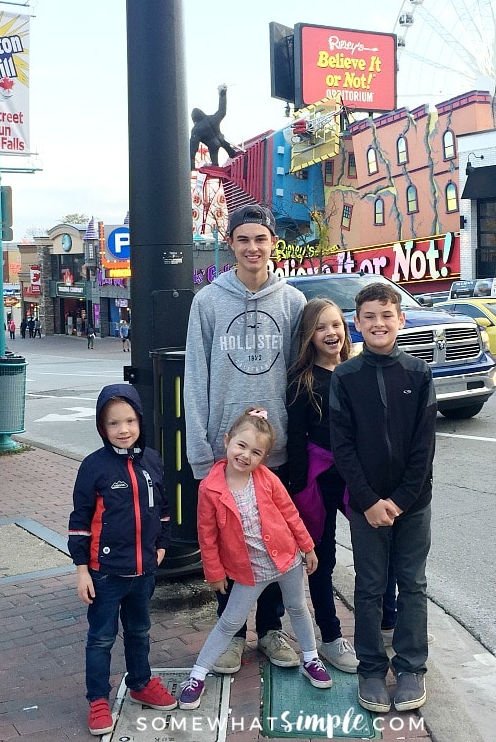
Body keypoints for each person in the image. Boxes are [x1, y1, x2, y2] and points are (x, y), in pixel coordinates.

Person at [184, 203, 306, 675]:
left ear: (273, 243)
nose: (252, 248)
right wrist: (201, 453)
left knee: (273, 544)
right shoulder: (208, 302)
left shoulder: (292, 302)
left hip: (277, 453)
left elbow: (303, 378)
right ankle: (232, 634)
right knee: (235, 546)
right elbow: (196, 378)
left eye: (261, 239)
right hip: (227, 452)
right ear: (230, 244)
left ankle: (273, 630)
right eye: (243, 240)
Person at [330, 281, 437, 716]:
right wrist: (370, 500)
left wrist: (404, 499)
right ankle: (371, 668)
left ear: (400, 320)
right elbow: (343, 447)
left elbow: (423, 446)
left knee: (412, 584)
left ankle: (411, 666)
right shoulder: (345, 377)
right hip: (365, 504)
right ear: (357, 324)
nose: (378, 323)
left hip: (415, 503)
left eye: (386, 315)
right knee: (370, 586)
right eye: (369, 316)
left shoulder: (417, 372)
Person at [178, 408, 332, 709]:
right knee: (228, 622)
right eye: (241, 446)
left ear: (264, 458)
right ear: (227, 441)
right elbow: (206, 536)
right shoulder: (209, 488)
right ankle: (197, 675)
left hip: (287, 560)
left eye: (256, 452)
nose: (246, 455)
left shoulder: (267, 479)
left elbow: (290, 514)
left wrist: (307, 547)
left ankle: (311, 658)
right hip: (249, 572)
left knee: (298, 608)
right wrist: (214, 572)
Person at [67, 384, 177, 735]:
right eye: (114, 423)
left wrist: (160, 547)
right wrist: (82, 569)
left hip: (144, 570)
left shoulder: (153, 461)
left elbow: (163, 510)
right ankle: (98, 698)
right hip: (104, 574)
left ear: (140, 420)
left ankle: (140, 682)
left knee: (139, 631)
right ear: (102, 427)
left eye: (130, 420)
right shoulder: (93, 467)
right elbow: (80, 521)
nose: (124, 429)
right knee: (101, 637)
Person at [286, 298, 358, 674]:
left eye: (336, 325)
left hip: (358, 477)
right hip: (317, 481)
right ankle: (330, 637)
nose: (331, 333)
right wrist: (297, 490)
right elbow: (296, 439)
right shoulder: (304, 382)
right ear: (309, 336)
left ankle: (387, 625)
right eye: (321, 327)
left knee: (378, 552)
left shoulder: (357, 370)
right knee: (321, 560)